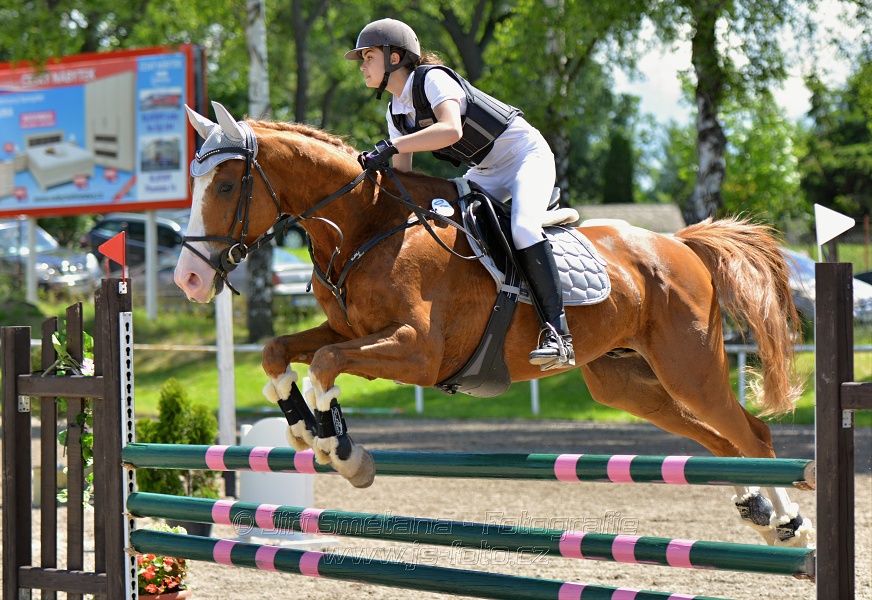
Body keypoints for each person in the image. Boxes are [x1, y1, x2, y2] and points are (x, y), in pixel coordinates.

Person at [345, 18, 573, 367]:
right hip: (485, 171)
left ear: (394, 58)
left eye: (369, 56)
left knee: (524, 228)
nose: (362, 65)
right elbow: (404, 176)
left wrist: (391, 146)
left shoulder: (432, 78)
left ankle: (558, 334)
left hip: (525, 156)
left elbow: (450, 129)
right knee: (452, 225)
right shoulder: (396, 109)